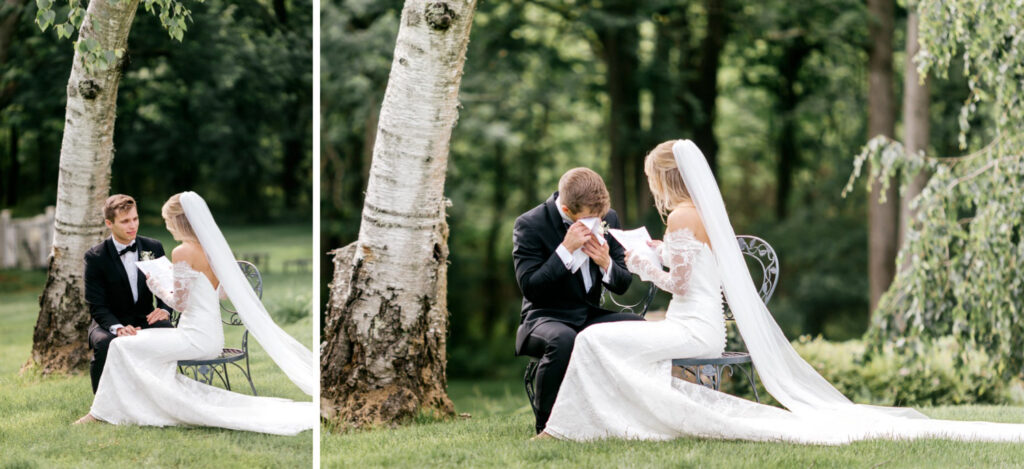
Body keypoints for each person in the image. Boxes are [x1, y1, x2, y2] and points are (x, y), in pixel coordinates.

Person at [539, 139, 1024, 444]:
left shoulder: (685, 215)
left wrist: (641, 261)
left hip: (691, 329)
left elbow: (677, 285)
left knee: (594, 340)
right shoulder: (692, 217)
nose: (651, 188)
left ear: (666, 178)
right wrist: (655, 250)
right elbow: (694, 270)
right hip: (696, 324)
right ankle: (622, 422)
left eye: (651, 179)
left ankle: (586, 427)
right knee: (602, 342)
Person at [74, 192, 315, 435]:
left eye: (168, 221)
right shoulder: (212, 249)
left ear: (178, 222)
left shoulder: (182, 252)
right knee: (122, 344)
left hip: (194, 338)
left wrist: (156, 286)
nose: (167, 227)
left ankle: (103, 413)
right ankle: (135, 405)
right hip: (211, 337)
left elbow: (179, 304)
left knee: (120, 347)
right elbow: (221, 293)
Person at [512, 167, 642, 435]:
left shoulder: (609, 218)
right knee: (563, 340)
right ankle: (547, 429)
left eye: (600, 218)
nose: (597, 222)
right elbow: (531, 289)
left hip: (587, 314)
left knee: (638, 327)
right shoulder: (530, 224)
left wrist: (606, 263)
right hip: (544, 318)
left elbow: (623, 284)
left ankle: (626, 419)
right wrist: (565, 250)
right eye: (589, 218)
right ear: (568, 210)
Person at [84, 195, 174, 394]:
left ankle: (164, 394)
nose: (132, 225)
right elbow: (96, 304)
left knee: (167, 330)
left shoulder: (153, 247)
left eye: (135, 219)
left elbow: (167, 286)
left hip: (145, 316)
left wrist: (164, 309)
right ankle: (101, 405)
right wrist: (117, 328)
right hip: (108, 322)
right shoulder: (95, 257)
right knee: (105, 343)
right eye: (125, 221)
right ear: (109, 223)